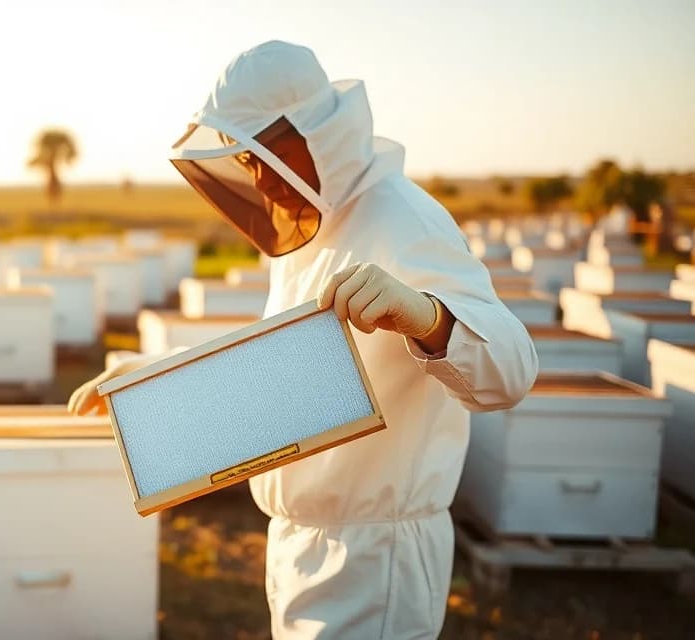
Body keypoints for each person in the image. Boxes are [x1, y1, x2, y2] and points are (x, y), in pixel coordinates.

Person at [69, 41, 538, 638]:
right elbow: (289, 372)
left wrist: (427, 318)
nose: (259, 177)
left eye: (267, 152)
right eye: (246, 158)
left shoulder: (405, 219)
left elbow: (513, 372)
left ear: (314, 133)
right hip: (299, 543)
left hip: (375, 557)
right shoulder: (312, 231)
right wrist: (159, 376)